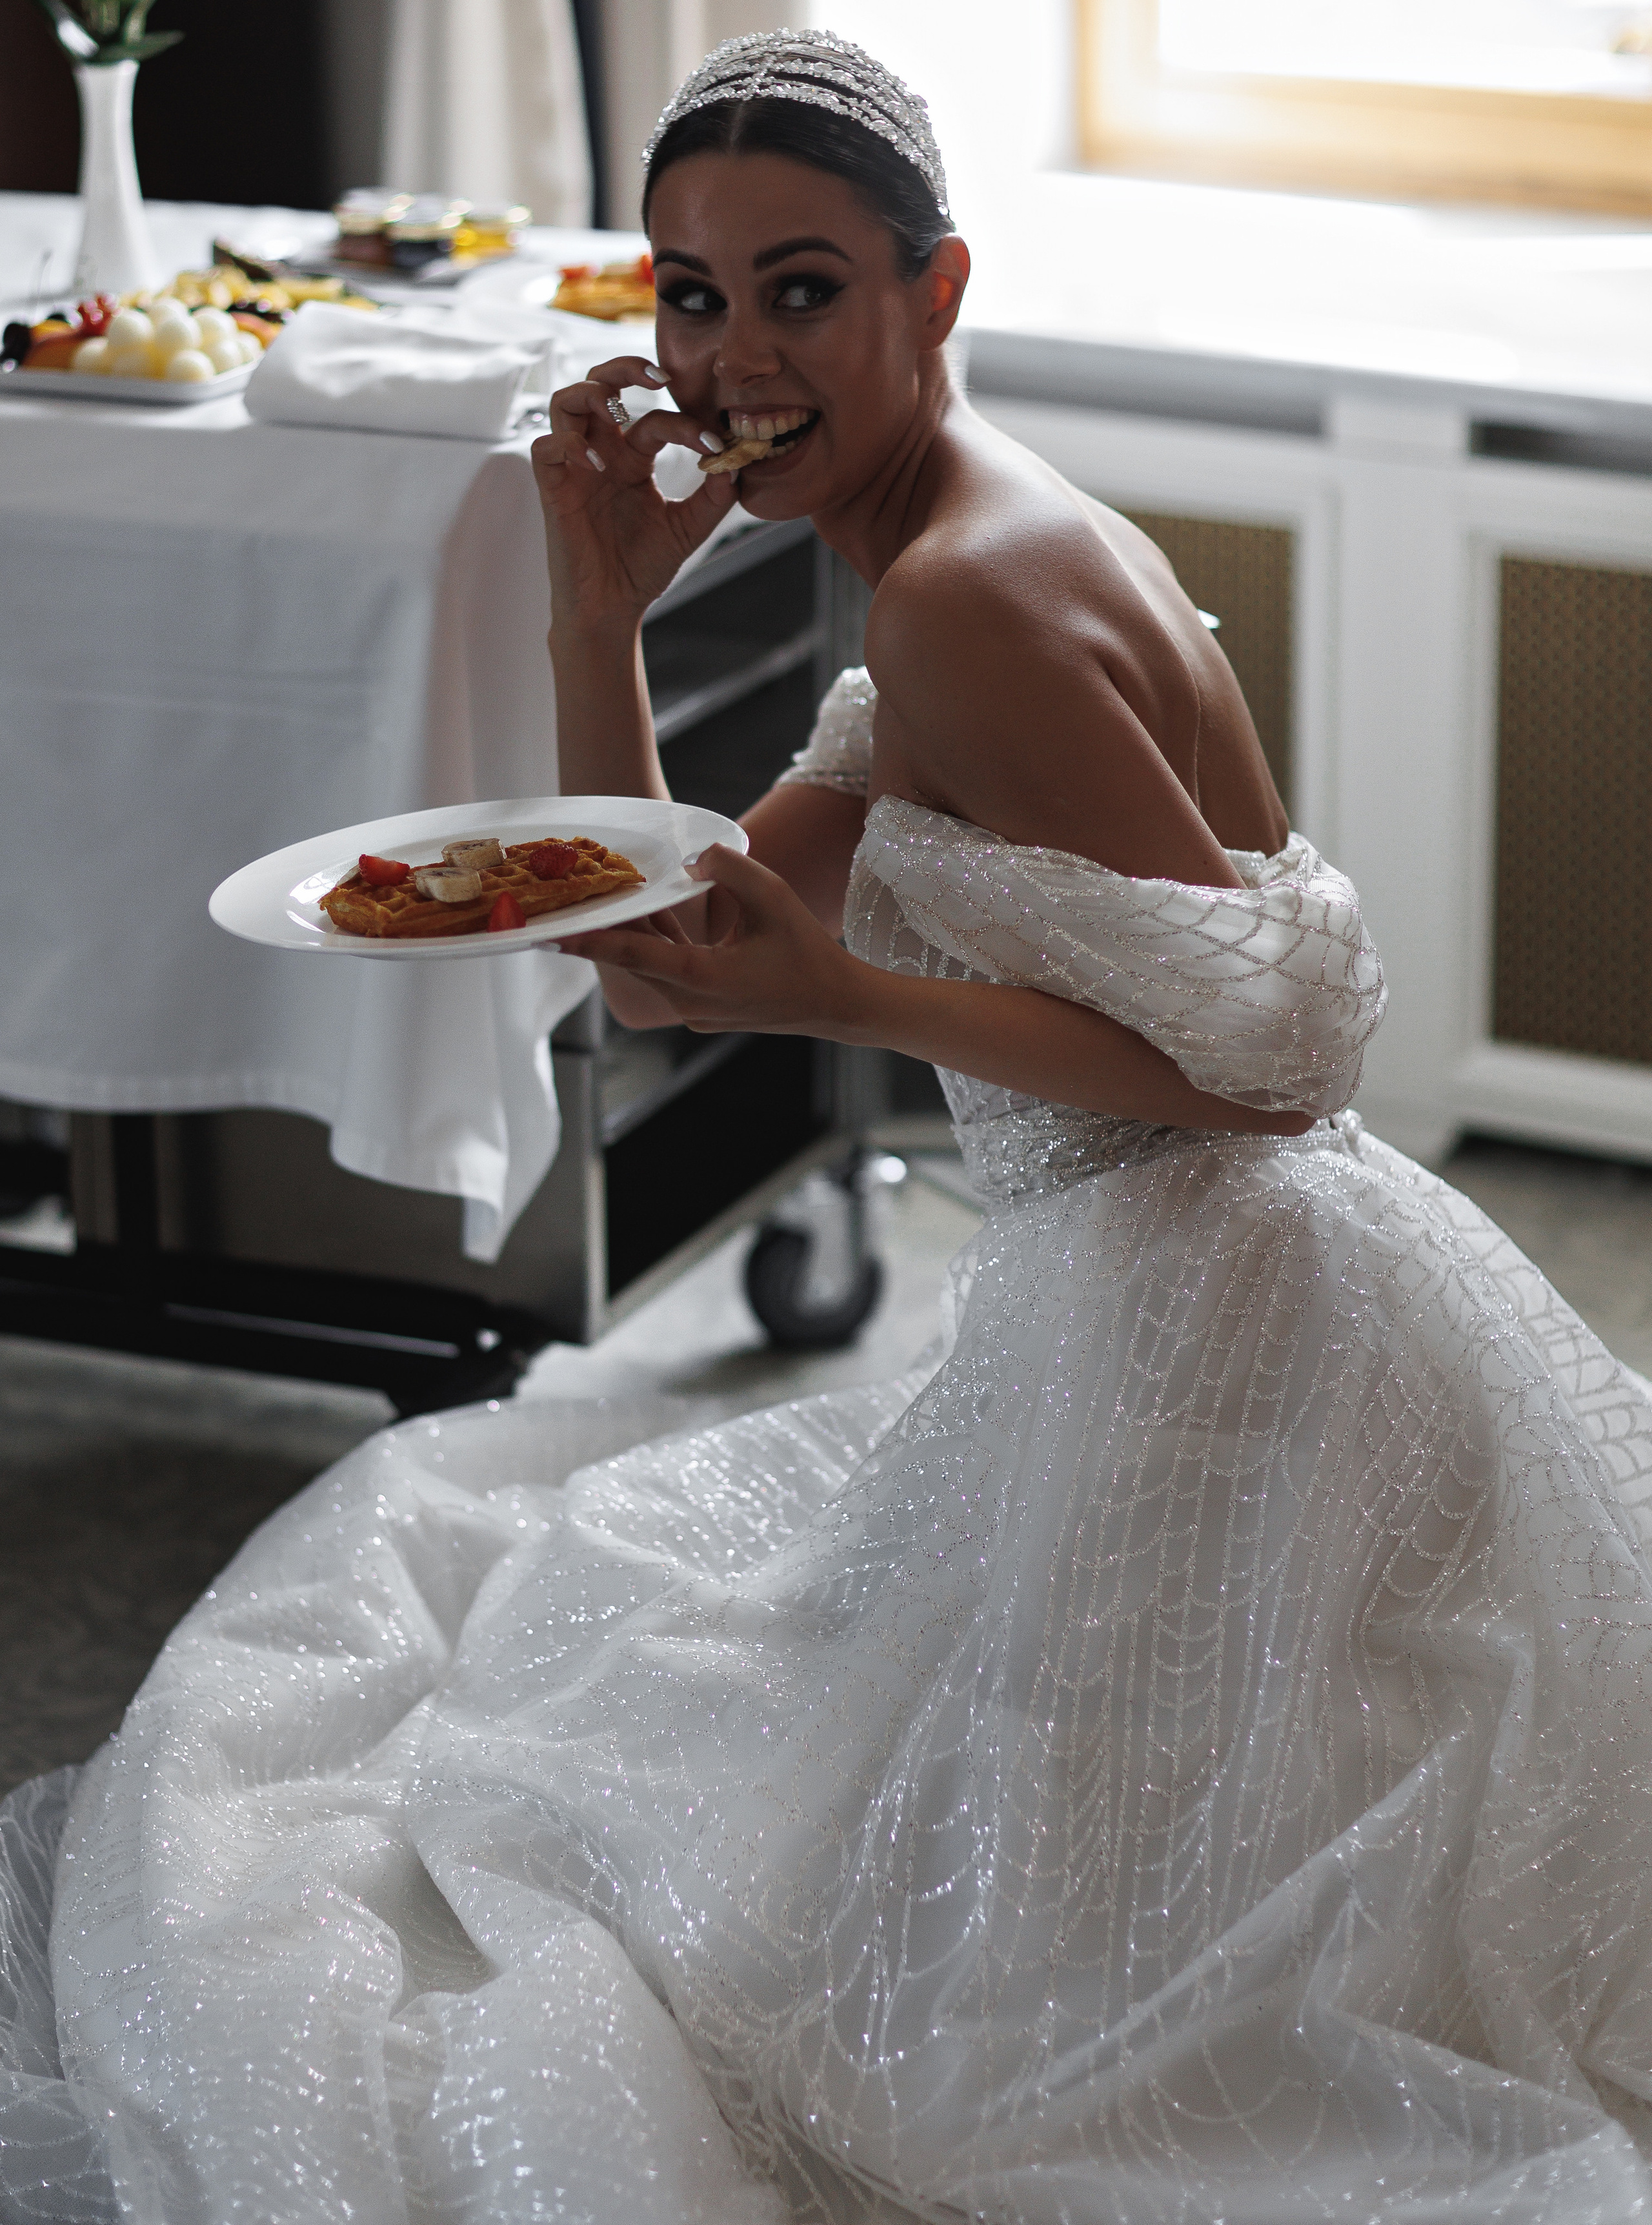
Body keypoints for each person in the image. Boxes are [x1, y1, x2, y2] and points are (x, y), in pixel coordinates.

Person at [6, 29, 1652, 2224]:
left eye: (803, 289)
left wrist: (850, 994)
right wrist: (606, 600)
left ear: (936, 291)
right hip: (1168, 1286)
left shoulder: (970, 596)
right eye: (691, 294)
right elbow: (672, 924)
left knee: (999, 1949)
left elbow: (1280, 1069)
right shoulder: (957, 536)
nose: (734, 355)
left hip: (1221, 1325)